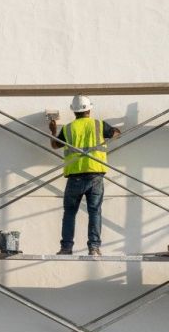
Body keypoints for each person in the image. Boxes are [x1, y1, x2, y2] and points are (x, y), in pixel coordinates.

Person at [49, 95, 121, 256]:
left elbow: (54, 145)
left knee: (69, 212)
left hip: (75, 176)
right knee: (95, 211)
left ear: (74, 111)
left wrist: (53, 131)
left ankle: (66, 248)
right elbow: (117, 134)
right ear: (89, 109)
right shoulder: (98, 124)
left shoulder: (68, 128)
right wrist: (113, 132)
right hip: (95, 174)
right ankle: (94, 247)